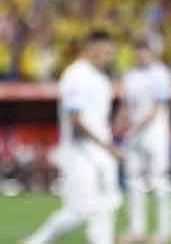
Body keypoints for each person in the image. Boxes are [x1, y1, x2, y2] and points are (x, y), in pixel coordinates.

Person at [22, 31, 122, 244]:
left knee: (108, 204)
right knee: (81, 210)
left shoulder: (102, 79)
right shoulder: (76, 75)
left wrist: (108, 145)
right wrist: (107, 146)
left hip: (100, 152)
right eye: (106, 52)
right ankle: (36, 241)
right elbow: (75, 121)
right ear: (92, 49)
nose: (109, 57)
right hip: (80, 153)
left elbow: (99, 119)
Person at [116, 40, 171, 244]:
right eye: (138, 52)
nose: (141, 56)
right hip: (134, 135)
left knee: (159, 180)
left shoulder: (161, 74)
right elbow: (125, 104)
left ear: (152, 53)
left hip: (155, 134)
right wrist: (118, 123)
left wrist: (133, 127)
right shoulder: (130, 75)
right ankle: (136, 230)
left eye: (145, 52)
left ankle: (163, 232)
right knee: (133, 181)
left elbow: (157, 108)